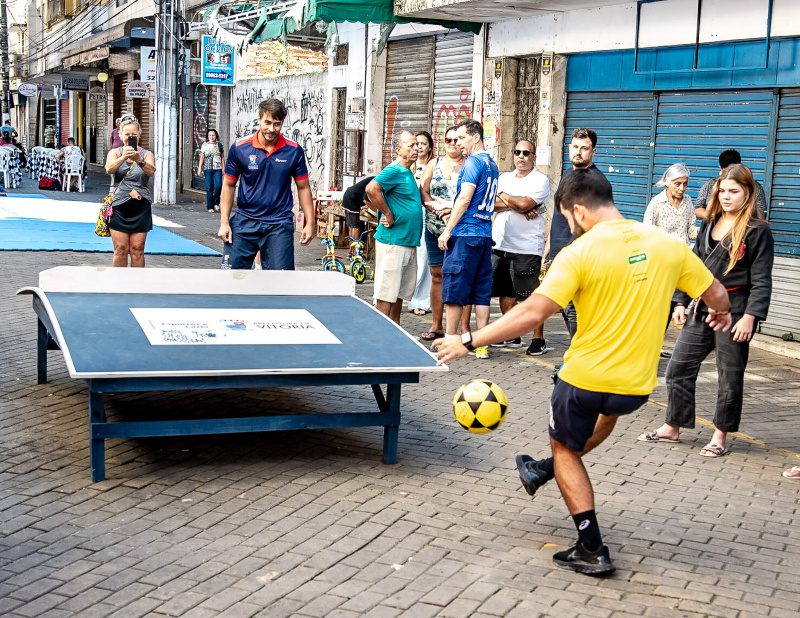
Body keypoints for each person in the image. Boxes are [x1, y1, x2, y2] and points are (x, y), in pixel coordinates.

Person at [434, 168, 732, 575]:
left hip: (584, 379)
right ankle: (541, 469)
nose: (569, 226)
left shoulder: (578, 253)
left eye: (567, 218)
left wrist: (467, 341)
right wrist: (720, 312)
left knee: (565, 448)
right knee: (605, 413)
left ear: (578, 210)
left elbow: (532, 313)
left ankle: (591, 546)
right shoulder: (667, 246)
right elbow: (715, 293)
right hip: (637, 386)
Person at [639, 164, 774, 457]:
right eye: (723, 191)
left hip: (735, 311)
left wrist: (751, 317)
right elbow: (692, 267)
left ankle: (720, 434)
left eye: (734, 191)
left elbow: (762, 280)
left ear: (748, 193)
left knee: (730, 375)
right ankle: (673, 425)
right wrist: (679, 302)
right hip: (702, 307)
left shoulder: (758, 231)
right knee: (678, 368)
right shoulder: (711, 222)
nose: (727, 197)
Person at [217, 98, 314, 270]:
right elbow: (229, 185)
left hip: (279, 224)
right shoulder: (240, 148)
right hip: (245, 220)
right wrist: (224, 222)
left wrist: (310, 223)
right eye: (267, 122)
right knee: (232, 279)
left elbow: (303, 187)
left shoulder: (294, 150)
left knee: (280, 283)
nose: (271, 129)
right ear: (259, 119)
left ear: (282, 123)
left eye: (276, 124)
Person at [435, 119, 499, 360]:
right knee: (481, 290)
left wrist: (447, 229)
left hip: (466, 233)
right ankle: (482, 343)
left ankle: (449, 340)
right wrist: (448, 206)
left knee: (455, 288)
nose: (458, 143)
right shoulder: (491, 164)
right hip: (484, 235)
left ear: (475, 137)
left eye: (461, 138)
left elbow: (464, 199)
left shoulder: (473, 162)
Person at [490, 140, 551, 355]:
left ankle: (538, 338)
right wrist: (518, 204)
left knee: (530, 295)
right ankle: (511, 334)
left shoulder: (540, 180)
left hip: (527, 247)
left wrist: (505, 196)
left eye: (526, 153)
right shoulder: (503, 177)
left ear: (533, 156)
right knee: (505, 292)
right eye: (517, 152)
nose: (521, 156)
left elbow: (526, 204)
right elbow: (490, 204)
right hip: (500, 243)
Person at [547, 128, 601, 340]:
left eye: (584, 148)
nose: (579, 152)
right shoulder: (568, 175)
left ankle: (582, 356)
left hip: (581, 258)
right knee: (567, 307)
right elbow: (559, 217)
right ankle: (581, 354)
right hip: (561, 254)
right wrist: (549, 251)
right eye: (575, 147)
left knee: (575, 310)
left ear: (593, 152)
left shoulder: (594, 181)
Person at [365, 131, 423, 323]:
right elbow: (371, 189)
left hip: (407, 241)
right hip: (393, 242)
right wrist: (388, 214)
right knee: (386, 295)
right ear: (398, 149)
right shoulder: (394, 170)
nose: (416, 148)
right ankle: (380, 339)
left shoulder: (409, 172)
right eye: (410, 145)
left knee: (398, 294)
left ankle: (396, 332)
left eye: (417, 145)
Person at [644, 162, 698, 355]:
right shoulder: (656, 204)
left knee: (672, 305)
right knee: (658, 306)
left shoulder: (688, 202)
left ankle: (654, 346)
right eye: (677, 184)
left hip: (682, 262)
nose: (682, 188)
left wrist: (706, 230)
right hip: (661, 263)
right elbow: (646, 234)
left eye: (685, 184)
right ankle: (647, 346)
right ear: (667, 182)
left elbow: (690, 230)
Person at [419, 126, 464, 341]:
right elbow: (423, 191)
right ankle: (436, 325)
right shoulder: (433, 163)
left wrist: (451, 215)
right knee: (437, 276)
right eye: (449, 140)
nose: (453, 144)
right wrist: (435, 210)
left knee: (459, 278)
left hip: (460, 229)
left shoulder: (469, 165)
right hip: (434, 227)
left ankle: (458, 330)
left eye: (457, 140)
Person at [104, 119, 156, 267]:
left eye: (134, 134)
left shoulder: (146, 154)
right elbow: (109, 169)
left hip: (141, 206)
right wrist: (123, 157)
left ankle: (137, 285)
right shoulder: (115, 152)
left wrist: (139, 160)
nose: (130, 137)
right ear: (120, 135)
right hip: (119, 205)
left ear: (139, 134)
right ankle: (119, 286)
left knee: (137, 249)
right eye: (127, 134)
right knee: (120, 249)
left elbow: (151, 171)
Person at [408, 131, 435, 316]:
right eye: (416, 143)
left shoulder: (435, 167)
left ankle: (421, 301)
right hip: (409, 216)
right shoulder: (407, 166)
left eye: (423, 144)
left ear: (430, 147)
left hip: (427, 214)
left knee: (424, 258)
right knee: (408, 257)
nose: (419, 147)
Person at [695, 149, 767, 219]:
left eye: (734, 191)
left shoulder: (753, 186)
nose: (726, 197)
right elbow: (697, 209)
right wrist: (711, 216)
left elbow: (761, 214)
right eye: (721, 190)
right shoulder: (710, 184)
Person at [197, 129, 225, 213]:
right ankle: (210, 206)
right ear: (207, 136)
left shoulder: (219, 145)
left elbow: (222, 157)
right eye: (210, 135)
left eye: (213, 135)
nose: (211, 137)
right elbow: (202, 157)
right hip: (207, 168)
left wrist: (224, 168)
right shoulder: (204, 145)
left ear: (216, 136)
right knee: (209, 187)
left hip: (218, 169)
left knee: (218, 186)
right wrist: (199, 168)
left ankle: (216, 202)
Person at [341, 176, 374, 243]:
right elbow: (365, 200)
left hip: (348, 196)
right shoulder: (374, 183)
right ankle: (355, 248)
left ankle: (351, 250)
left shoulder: (373, 179)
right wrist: (376, 210)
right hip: (352, 199)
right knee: (355, 227)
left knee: (351, 225)